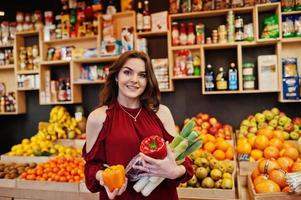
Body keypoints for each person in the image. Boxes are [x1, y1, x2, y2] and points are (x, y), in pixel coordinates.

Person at [83, 50, 193, 200]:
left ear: (148, 80)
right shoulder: (98, 118)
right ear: (116, 76)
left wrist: (174, 171)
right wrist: (105, 177)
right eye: (127, 72)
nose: (135, 80)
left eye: (142, 75)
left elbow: (184, 162)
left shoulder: (161, 113)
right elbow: (91, 167)